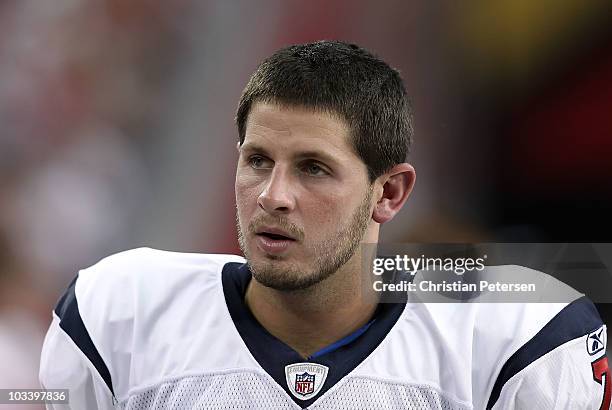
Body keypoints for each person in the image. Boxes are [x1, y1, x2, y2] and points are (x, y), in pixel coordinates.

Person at [39, 41, 609, 409]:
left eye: (313, 169)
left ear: (388, 192)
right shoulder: (120, 312)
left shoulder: (523, 335)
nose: (273, 196)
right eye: (257, 160)